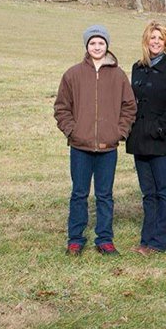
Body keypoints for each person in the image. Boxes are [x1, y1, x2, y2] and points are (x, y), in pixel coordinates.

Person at [53, 25, 136, 256]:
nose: (97, 47)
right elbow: (61, 107)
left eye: (101, 43)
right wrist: (72, 131)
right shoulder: (73, 74)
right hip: (80, 146)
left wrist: (119, 132)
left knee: (105, 195)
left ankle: (104, 239)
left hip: (108, 147)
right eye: (92, 43)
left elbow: (129, 106)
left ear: (107, 45)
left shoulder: (118, 75)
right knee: (79, 193)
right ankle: (75, 239)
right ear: (87, 47)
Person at [126, 21, 166, 255]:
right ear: (146, 41)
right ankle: (146, 237)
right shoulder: (137, 68)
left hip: (164, 141)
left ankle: (160, 241)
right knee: (148, 192)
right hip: (140, 140)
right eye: (152, 38)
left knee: (164, 191)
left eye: (160, 39)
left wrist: (160, 128)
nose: (156, 42)